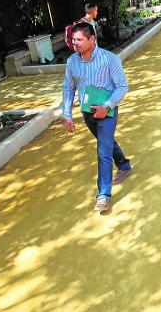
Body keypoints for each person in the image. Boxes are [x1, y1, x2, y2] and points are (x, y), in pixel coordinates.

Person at [62, 22, 132, 212]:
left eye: (79, 40)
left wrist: (107, 106)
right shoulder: (72, 62)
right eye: (73, 40)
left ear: (92, 39)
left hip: (107, 111)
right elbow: (68, 88)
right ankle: (124, 164)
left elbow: (123, 87)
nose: (74, 43)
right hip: (87, 112)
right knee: (106, 142)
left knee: (103, 150)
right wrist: (67, 114)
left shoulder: (110, 59)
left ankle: (103, 194)